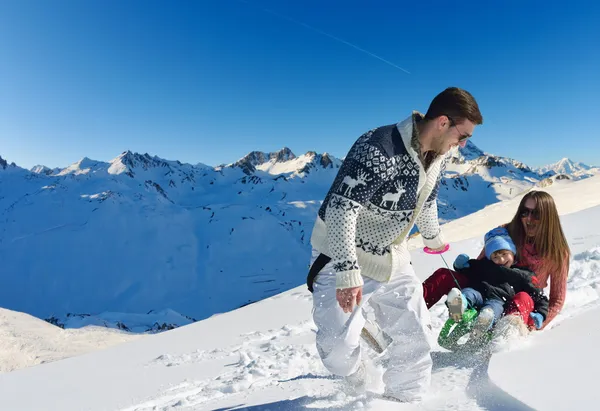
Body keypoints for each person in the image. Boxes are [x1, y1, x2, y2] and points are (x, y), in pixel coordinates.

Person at [306, 87, 483, 402]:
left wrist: (432, 238)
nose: (464, 144)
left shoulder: (440, 155)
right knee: (337, 352)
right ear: (443, 122)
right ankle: (358, 375)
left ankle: (406, 401)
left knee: (414, 333)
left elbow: (426, 200)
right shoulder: (379, 147)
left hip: (390, 252)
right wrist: (348, 273)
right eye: (463, 135)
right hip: (340, 252)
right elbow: (340, 210)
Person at [422, 190, 570, 332]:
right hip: (486, 291)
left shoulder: (558, 253)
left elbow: (556, 300)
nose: (528, 219)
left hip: (519, 306)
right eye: (525, 212)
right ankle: (413, 312)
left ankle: (505, 335)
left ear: (548, 217)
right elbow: (482, 264)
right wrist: (466, 268)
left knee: (523, 298)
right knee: (443, 276)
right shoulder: (505, 232)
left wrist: (537, 324)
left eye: (536, 214)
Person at [445, 227, 549, 343]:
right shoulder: (484, 265)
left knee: (492, 310)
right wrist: (459, 264)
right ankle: (458, 306)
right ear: (490, 258)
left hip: (499, 299)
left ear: (512, 252)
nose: (501, 259)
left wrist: (541, 314)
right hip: (478, 291)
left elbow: (538, 296)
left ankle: (483, 324)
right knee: (468, 293)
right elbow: (466, 268)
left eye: (504, 254)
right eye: (495, 256)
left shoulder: (522, 274)